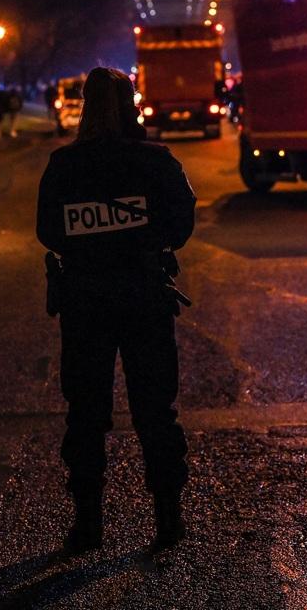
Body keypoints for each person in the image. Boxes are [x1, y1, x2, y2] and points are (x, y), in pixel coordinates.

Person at [36, 67, 197, 557]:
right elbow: (181, 221)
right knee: (155, 410)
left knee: (86, 414)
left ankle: (88, 526)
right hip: (144, 295)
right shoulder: (156, 161)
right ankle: (168, 518)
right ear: (131, 105)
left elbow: (49, 231)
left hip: (85, 301)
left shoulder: (64, 165)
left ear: (85, 106)